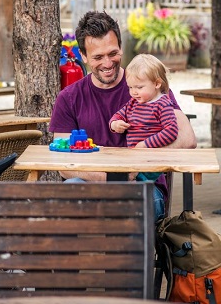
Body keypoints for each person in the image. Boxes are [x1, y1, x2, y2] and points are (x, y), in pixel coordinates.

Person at [49, 11, 196, 222]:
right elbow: (62, 164)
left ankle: (126, 255)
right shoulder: (69, 98)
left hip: (143, 186)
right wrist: (113, 177)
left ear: (121, 47)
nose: (108, 63)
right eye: (98, 57)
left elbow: (187, 139)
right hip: (89, 184)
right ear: (83, 56)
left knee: (129, 211)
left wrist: (139, 162)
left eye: (113, 53)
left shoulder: (150, 88)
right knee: (67, 195)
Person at [109, 53, 179, 182]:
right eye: (130, 87)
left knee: (133, 180)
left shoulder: (162, 104)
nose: (133, 92)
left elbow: (171, 131)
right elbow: (119, 114)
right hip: (135, 158)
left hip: (151, 159)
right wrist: (115, 123)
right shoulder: (133, 103)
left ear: (157, 83)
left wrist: (146, 144)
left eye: (139, 87)